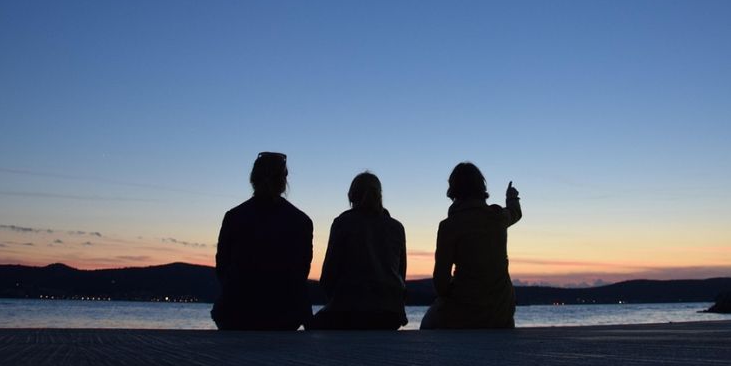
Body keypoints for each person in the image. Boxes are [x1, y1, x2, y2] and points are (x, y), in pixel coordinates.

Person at [211, 152, 313, 330]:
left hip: (236, 314)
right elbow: (301, 271)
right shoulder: (301, 221)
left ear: (253, 179)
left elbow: (222, 267)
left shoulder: (234, 217)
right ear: (284, 181)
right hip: (285, 316)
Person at [420, 162, 522, 329]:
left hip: (465, 309)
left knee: (427, 325)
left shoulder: (449, 226)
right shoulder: (498, 217)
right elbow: (515, 213)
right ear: (481, 186)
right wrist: (512, 197)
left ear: (453, 189)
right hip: (502, 310)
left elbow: (441, 281)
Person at [309, 172, 408, 330]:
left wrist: (335, 299)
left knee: (312, 325)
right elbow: (400, 274)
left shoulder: (342, 223)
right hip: (391, 313)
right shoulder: (397, 227)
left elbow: (328, 275)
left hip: (350, 311)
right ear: (379, 195)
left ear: (351, 196)